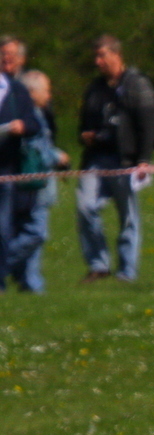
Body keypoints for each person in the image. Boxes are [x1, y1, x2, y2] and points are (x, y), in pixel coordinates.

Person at [77, 35, 154, 283]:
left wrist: (144, 159)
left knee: (127, 217)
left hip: (126, 160)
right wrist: (86, 136)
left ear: (116, 54)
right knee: (85, 206)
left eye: (102, 55)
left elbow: (148, 124)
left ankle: (127, 271)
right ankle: (98, 265)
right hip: (96, 158)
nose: (97, 61)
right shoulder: (94, 88)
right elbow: (83, 123)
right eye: (95, 56)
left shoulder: (137, 84)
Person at [6, 71, 68, 292]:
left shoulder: (37, 113)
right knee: (36, 232)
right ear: (32, 93)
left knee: (27, 233)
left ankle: (31, 284)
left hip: (34, 184)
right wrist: (57, 157)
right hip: (33, 185)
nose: (49, 95)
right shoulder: (31, 115)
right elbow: (35, 148)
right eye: (46, 90)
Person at [0, 44, 41, 292]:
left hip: (6, 169)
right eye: (3, 56)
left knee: (3, 228)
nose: (7, 60)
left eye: (11, 57)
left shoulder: (17, 91)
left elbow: (33, 123)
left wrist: (21, 127)